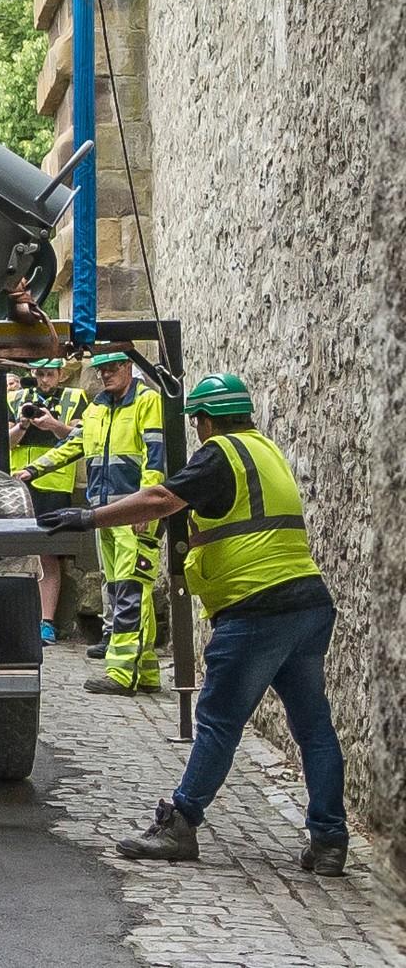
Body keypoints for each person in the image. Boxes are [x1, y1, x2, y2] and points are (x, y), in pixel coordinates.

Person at [37, 371, 348, 875]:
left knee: (219, 722)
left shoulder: (219, 452)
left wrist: (88, 518)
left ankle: (180, 822)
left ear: (205, 420)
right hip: (307, 603)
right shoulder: (265, 450)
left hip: (256, 608)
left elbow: (162, 498)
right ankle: (330, 841)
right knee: (314, 728)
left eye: (198, 422)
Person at [18, 349, 165, 694]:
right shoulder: (98, 407)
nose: (105, 374)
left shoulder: (146, 402)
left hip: (133, 512)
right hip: (104, 514)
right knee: (119, 589)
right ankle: (145, 671)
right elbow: (74, 444)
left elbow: (155, 456)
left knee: (131, 590)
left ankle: (121, 673)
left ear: (128, 366)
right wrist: (32, 470)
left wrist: (147, 506)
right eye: (101, 369)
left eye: (112, 367)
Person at [7, 358, 88, 646]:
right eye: (40, 374)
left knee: (49, 555)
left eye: (50, 375)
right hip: (19, 485)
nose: (44, 381)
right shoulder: (16, 398)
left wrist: (54, 424)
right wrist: (23, 425)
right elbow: (4, 442)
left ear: (61, 374)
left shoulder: (75, 398)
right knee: (15, 552)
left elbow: (80, 439)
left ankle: (46, 622)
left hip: (55, 487)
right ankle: (16, 617)